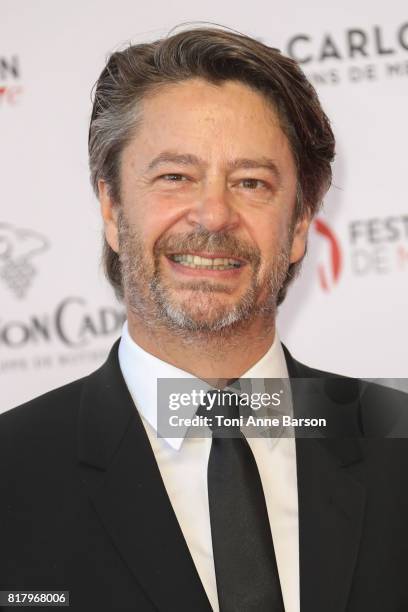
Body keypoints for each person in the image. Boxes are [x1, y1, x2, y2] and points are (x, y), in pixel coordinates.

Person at [0, 25, 407, 612]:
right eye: (175, 177)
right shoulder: (10, 475)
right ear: (112, 209)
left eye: (251, 182)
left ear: (297, 228)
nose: (214, 214)